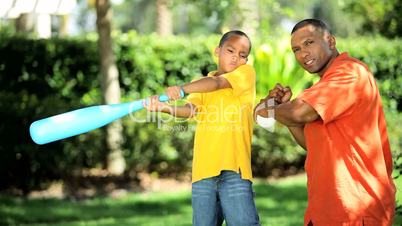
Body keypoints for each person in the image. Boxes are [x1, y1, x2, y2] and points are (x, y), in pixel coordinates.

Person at [255, 19, 396, 226]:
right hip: (323, 211)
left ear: (330, 41)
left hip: (356, 210)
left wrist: (267, 109)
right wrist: (280, 111)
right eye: (296, 49)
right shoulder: (326, 85)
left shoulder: (349, 73)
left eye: (309, 43)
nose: (303, 53)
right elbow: (313, 144)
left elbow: (298, 113)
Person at [144, 30, 260, 226]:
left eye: (242, 55)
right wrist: (163, 107)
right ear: (217, 51)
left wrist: (181, 89)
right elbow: (190, 110)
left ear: (246, 61)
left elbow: (216, 83)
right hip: (203, 171)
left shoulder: (245, 74)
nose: (235, 57)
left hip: (234, 170)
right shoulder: (202, 84)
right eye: (230, 50)